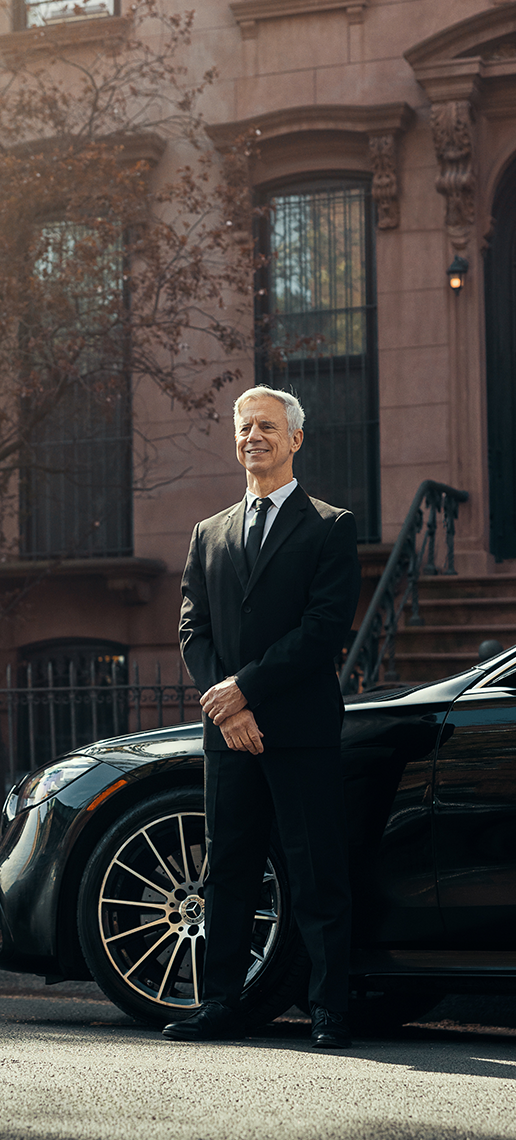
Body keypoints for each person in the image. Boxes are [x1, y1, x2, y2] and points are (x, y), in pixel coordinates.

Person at [163, 384, 361, 1048]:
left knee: (315, 871)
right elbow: (194, 629)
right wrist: (225, 706)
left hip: (300, 729)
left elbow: (322, 629)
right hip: (229, 735)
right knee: (230, 871)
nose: (255, 436)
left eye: (268, 427)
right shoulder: (208, 532)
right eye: (246, 427)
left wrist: (243, 690)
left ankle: (330, 1007)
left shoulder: (331, 527)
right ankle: (220, 1004)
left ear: (295, 439)